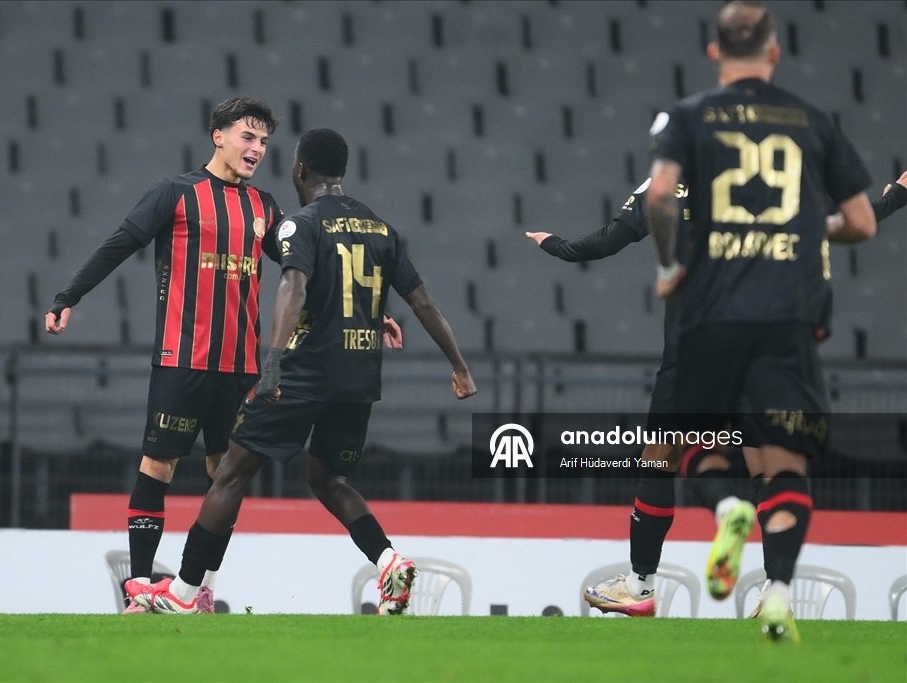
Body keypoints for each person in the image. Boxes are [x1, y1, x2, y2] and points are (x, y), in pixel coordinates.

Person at [125, 128, 477, 615]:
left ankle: (183, 594)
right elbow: (423, 303)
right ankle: (389, 560)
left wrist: (272, 365)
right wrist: (459, 368)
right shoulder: (381, 229)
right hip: (360, 378)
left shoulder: (301, 224)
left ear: (300, 170)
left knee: (229, 475)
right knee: (329, 478)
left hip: (305, 374)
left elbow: (294, 288)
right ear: (343, 172)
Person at [527, 170, 907, 617]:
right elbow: (852, 219)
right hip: (763, 350)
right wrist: (897, 195)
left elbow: (604, 243)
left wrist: (555, 244)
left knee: (660, 461)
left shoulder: (666, 181)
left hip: (692, 352)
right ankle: (776, 591)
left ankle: (643, 582)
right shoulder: (775, 181)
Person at [646, 1, 876, 640]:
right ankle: (777, 595)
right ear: (775, 52)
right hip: (788, 318)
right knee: (784, 466)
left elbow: (660, 194)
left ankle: (726, 510)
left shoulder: (688, 117)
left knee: (696, 443)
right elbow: (861, 221)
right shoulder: (814, 121)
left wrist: (668, 268)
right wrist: (808, 228)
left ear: (715, 53)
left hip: (713, 313)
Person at [45, 97, 285, 614]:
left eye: (264, 141)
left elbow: (304, 266)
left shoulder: (264, 207)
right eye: (248, 136)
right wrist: (69, 296)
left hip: (240, 368)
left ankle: (201, 590)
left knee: (226, 479)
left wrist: (369, 312)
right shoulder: (176, 193)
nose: (257, 149)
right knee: (158, 466)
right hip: (183, 360)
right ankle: (138, 588)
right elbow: (119, 244)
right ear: (218, 135)